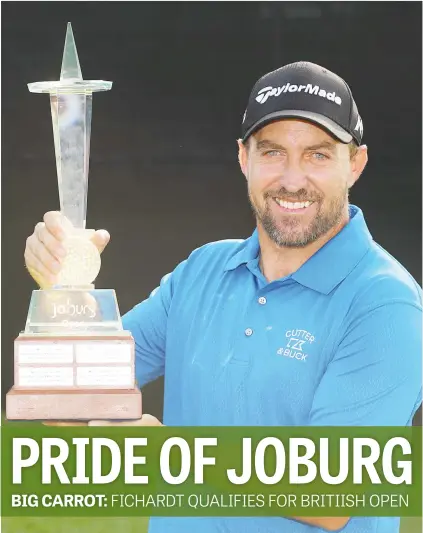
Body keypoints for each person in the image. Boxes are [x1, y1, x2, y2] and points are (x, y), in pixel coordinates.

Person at [24, 62, 422, 533]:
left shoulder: (387, 305)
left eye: (317, 155)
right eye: (273, 152)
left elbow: (332, 494)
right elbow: (66, 405)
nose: (292, 179)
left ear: (354, 164)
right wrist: (65, 297)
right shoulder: (202, 273)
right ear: (243, 159)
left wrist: (167, 454)